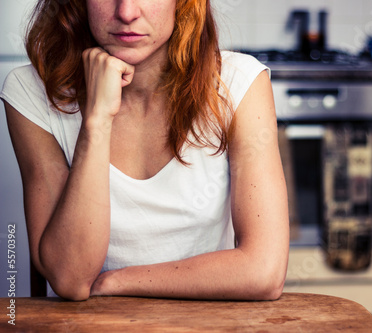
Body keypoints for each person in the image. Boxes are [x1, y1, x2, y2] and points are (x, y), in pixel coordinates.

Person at [0, 0, 289, 301]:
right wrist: (96, 122)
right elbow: (69, 277)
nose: (126, 12)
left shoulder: (238, 82)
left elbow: (263, 271)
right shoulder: (30, 92)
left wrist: (115, 282)